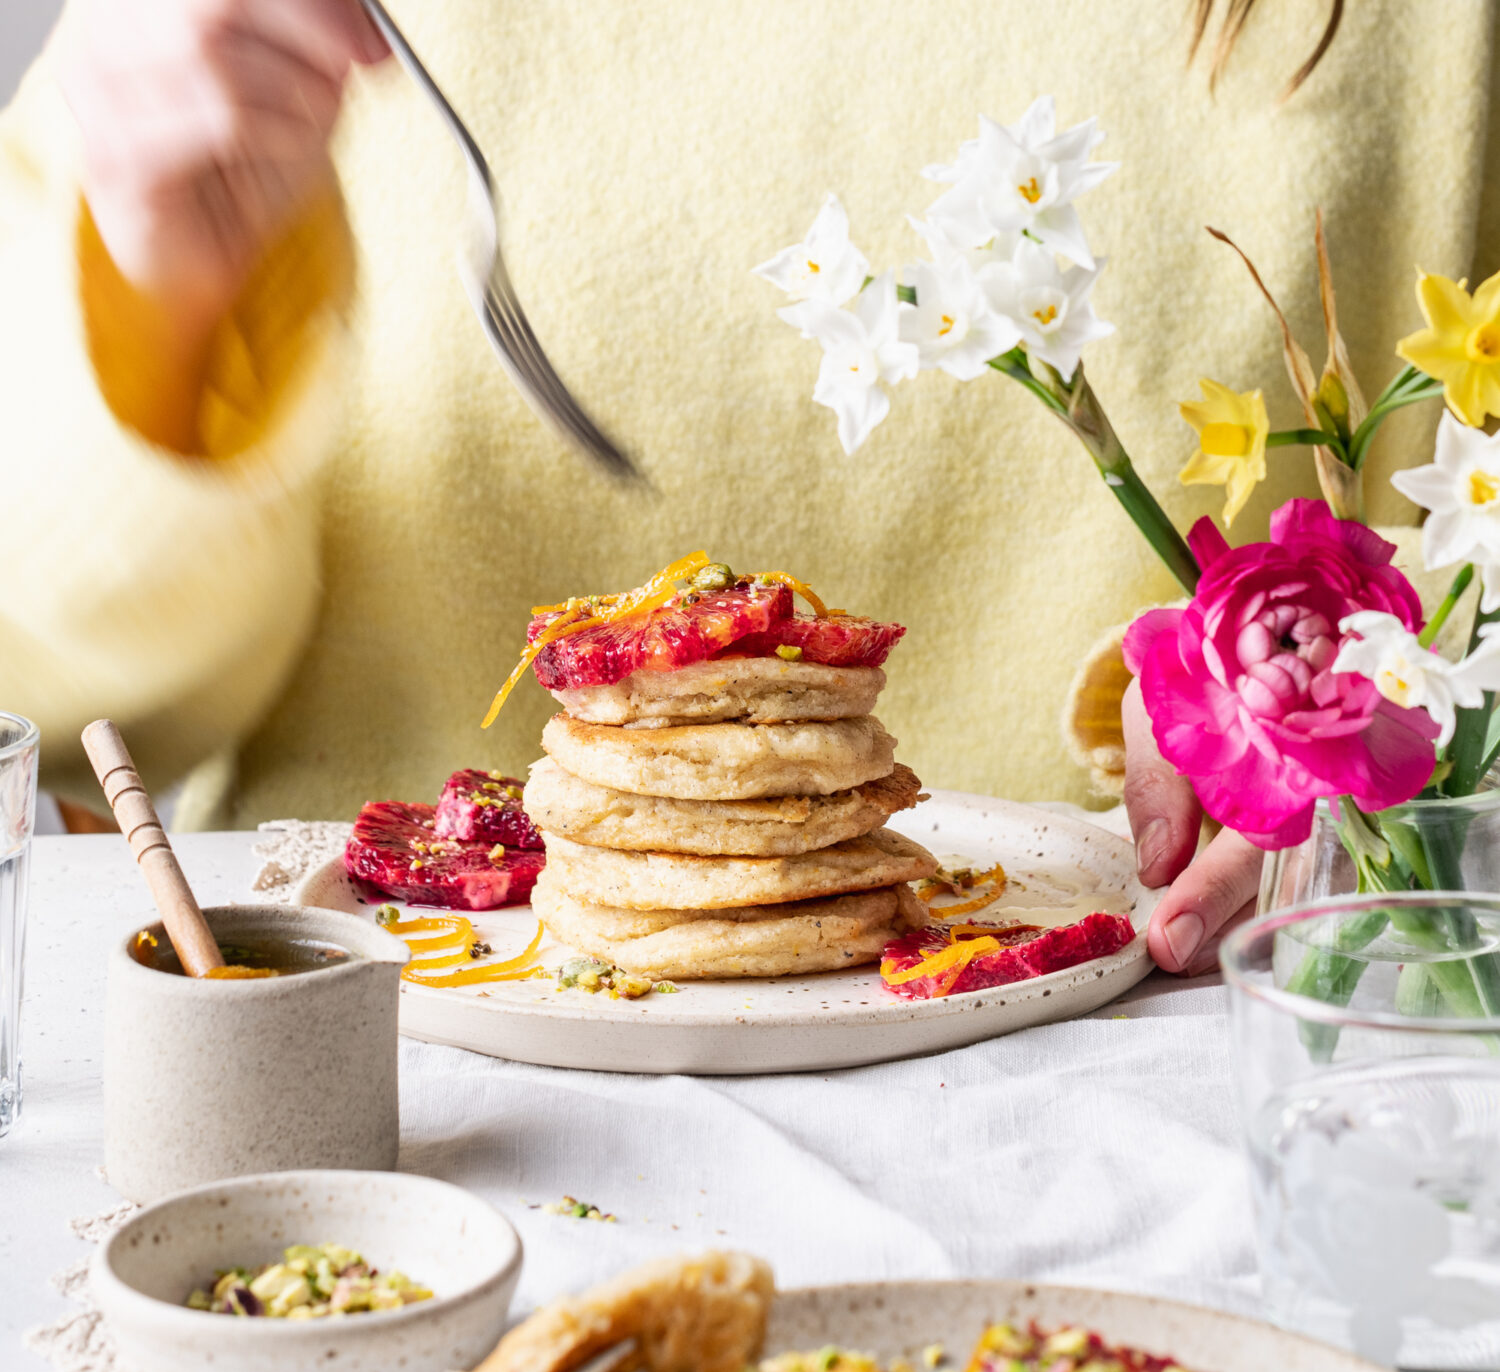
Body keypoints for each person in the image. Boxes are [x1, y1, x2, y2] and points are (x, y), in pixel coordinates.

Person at [1, 0, 1493, 973]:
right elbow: (52, 687)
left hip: (1221, 1062)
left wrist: (1411, 719)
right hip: (398, 1081)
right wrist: (160, 300)